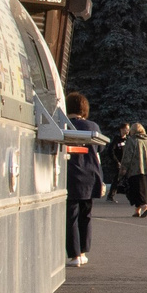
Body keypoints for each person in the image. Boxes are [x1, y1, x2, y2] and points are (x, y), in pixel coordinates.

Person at [64, 91, 104, 266]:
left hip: (71, 174)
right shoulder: (93, 126)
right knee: (86, 215)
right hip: (91, 175)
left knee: (71, 216)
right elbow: (101, 149)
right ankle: (83, 251)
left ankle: (74, 256)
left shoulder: (62, 124)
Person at [116, 121, 147, 218]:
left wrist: (123, 170)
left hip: (135, 170)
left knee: (136, 191)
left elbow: (127, 157)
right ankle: (137, 211)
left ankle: (145, 208)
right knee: (144, 191)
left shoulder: (131, 141)